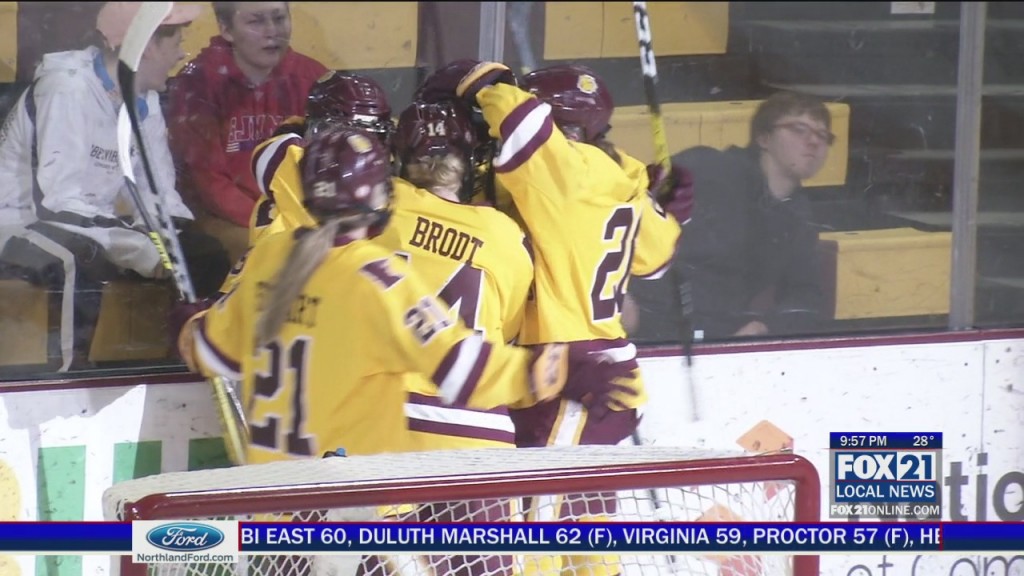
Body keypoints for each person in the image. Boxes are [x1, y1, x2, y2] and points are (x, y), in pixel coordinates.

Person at [175, 126, 637, 467]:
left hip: (272, 502)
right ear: (380, 196)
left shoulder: (268, 258)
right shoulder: (375, 278)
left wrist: (186, 322)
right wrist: (552, 374)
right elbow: (461, 368)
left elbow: (209, 352)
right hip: (350, 500)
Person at [417, 61, 692, 576]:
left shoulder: (565, 168)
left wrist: (485, 83)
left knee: (532, 539)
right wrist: (668, 211)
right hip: (595, 368)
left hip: (572, 377)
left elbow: (520, 123)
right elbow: (657, 258)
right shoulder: (618, 178)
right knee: (587, 535)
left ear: (561, 127)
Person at [0, 1, 228, 371]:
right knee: (79, 259)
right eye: (176, 42)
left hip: (92, 225)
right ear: (147, 46)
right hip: (21, 225)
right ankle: (69, 377)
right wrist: (138, 245)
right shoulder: (67, 88)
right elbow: (58, 205)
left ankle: (186, 366)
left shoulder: (145, 100)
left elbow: (157, 196)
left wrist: (171, 238)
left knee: (203, 253)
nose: (181, 53)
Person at [630, 91, 830, 342]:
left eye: (823, 136)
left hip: (715, 336)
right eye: (799, 129)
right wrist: (620, 300)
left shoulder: (799, 217)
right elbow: (627, 210)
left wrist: (765, 326)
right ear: (764, 137)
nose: (814, 141)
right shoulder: (706, 167)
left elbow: (806, 295)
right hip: (641, 316)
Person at [167, 1, 327, 263]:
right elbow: (209, 183)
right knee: (272, 255)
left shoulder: (314, 78)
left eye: (279, 18)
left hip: (297, 219)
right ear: (226, 29)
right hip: (220, 219)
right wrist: (273, 223)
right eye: (256, 21)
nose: (272, 31)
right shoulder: (198, 84)